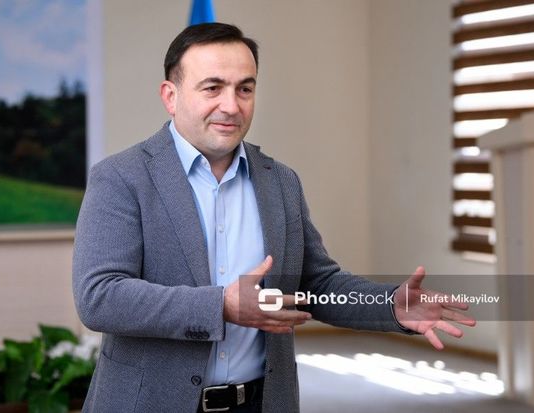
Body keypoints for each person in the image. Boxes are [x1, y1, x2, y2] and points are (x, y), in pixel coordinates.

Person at [72, 22, 476, 413]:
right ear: (170, 96)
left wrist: (388, 306)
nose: (231, 106)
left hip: (262, 402)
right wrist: (221, 305)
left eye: (244, 89)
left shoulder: (280, 181)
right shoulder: (121, 177)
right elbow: (99, 297)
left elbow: (315, 283)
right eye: (212, 88)